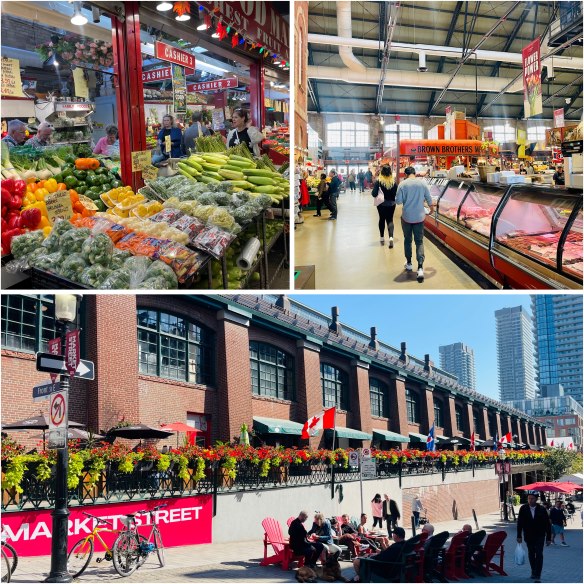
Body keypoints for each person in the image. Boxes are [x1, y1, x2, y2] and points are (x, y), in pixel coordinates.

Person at [395, 166, 434, 282]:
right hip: (419, 217)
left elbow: (398, 201)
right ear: (415, 173)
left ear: (406, 175)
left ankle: (409, 263)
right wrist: (431, 208)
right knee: (419, 241)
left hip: (407, 217)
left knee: (408, 240)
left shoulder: (402, 185)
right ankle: (421, 268)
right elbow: (428, 198)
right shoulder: (422, 183)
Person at [517, 493, 552, 583]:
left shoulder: (542, 509)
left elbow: (547, 524)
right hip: (528, 535)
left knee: (539, 554)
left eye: (532, 498)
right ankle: (533, 570)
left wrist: (548, 538)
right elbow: (519, 522)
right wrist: (519, 535)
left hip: (540, 535)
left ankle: (538, 574)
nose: (530, 500)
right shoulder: (523, 508)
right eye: (529, 498)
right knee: (531, 553)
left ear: (536, 499)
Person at [371, 165, 398, 247]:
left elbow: (374, 194)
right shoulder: (393, 182)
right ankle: (391, 238)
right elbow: (396, 193)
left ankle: (382, 237)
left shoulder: (378, 182)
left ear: (381, 172)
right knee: (390, 220)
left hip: (381, 204)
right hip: (391, 204)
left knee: (382, 219)